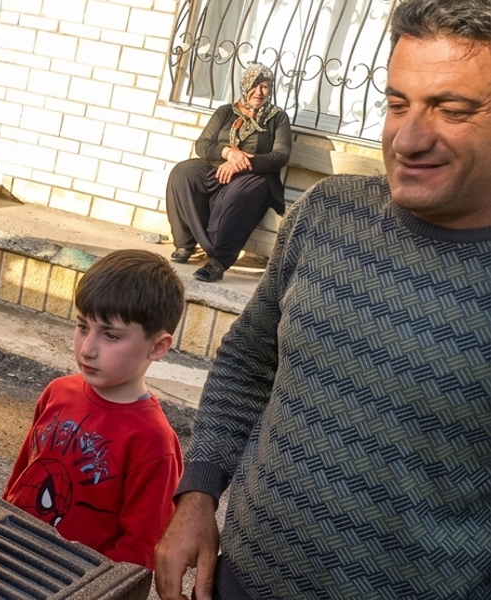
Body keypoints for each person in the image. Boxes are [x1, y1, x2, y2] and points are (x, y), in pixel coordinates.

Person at [154, 0, 491, 598]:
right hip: (236, 581)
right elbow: (247, 364)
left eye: (453, 110)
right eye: (396, 104)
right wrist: (198, 494)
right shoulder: (328, 214)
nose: (408, 138)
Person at [3, 249, 185, 571]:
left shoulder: (153, 441)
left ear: (157, 347)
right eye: (82, 326)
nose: (87, 348)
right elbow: (22, 475)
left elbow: (139, 550)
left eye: (110, 335)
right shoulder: (58, 392)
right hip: (9, 557)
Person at [163, 62, 292, 283]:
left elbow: (281, 155)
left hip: (255, 177)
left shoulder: (277, 118)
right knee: (183, 172)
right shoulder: (226, 112)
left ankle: (218, 261)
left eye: (265, 87)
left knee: (238, 195)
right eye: (255, 85)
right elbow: (203, 144)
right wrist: (228, 153)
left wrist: (242, 162)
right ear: (244, 85)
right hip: (218, 169)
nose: (259, 93)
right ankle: (186, 243)